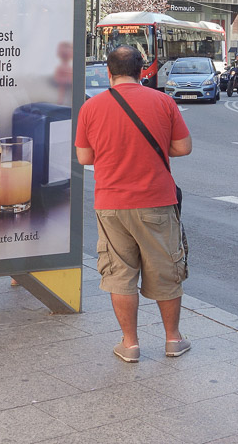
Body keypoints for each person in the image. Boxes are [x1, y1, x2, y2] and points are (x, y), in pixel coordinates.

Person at [76, 45, 192, 363]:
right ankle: (173, 339)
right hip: (156, 200)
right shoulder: (163, 101)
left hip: (111, 204)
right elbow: (183, 148)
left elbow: (84, 157)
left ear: (108, 72)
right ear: (142, 70)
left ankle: (130, 344)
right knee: (166, 271)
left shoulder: (92, 107)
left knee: (119, 274)